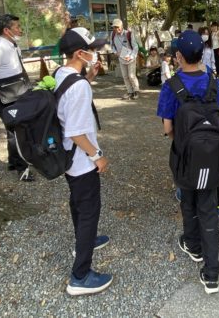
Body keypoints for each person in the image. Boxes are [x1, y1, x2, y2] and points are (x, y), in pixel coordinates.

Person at [157, 30, 219, 294]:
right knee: (208, 209)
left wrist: (184, 141)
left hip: (184, 156)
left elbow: (167, 128)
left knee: (188, 201)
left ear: (178, 56)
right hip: (212, 156)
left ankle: (193, 245)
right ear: (202, 53)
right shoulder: (217, 84)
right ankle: (211, 274)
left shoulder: (171, 86)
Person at [55, 28, 113, 296]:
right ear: (80, 53)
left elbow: (69, 99)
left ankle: (84, 241)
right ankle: (80, 276)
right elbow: (76, 131)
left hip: (68, 157)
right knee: (89, 210)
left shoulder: (63, 73)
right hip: (81, 160)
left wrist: (89, 77)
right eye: (91, 49)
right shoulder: (78, 86)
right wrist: (97, 156)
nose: (95, 52)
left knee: (78, 203)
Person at [0, 14, 33, 182]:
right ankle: (22, 168)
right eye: (16, 27)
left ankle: (13, 161)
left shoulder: (13, 46)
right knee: (17, 130)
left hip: (18, 91)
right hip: (5, 95)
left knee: (14, 128)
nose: (20, 30)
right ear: (6, 30)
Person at [111, 18, 140, 99]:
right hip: (121, 58)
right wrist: (115, 52)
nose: (116, 29)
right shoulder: (112, 35)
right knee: (125, 76)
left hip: (130, 58)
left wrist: (131, 56)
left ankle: (136, 91)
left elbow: (135, 47)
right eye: (114, 27)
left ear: (121, 26)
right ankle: (130, 92)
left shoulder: (128, 34)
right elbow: (112, 45)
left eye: (118, 27)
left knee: (131, 76)